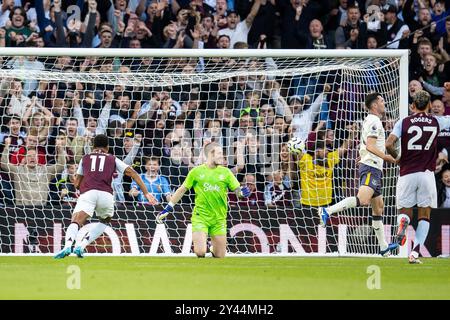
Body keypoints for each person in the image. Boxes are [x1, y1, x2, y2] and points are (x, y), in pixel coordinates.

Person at [318, 92, 399, 257]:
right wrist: (386, 157)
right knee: (363, 200)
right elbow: (370, 145)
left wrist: (363, 155)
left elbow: (365, 145)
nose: (384, 103)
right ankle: (327, 211)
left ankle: (383, 247)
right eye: (382, 101)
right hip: (372, 167)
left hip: (372, 165)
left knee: (379, 208)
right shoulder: (374, 121)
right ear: (375, 105)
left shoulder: (369, 120)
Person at [54, 134, 157, 259]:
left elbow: (76, 184)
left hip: (88, 193)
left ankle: (67, 246)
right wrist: (146, 193)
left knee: (76, 220)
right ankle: (81, 245)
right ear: (107, 147)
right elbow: (133, 173)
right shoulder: (112, 158)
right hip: (106, 195)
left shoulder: (85, 158)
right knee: (105, 220)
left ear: (93, 147)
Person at [386, 90, 450, 264]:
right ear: (429, 106)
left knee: (404, 211)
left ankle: (403, 223)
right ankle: (414, 253)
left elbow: (388, 144)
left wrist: (398, 158)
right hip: (427, 175)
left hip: (407, 173)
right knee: (424, 215)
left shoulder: (404, 122)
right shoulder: (437, 121)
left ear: (413, 106)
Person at [155, 142, 251, 258]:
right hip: (201, 217)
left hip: (219, 219)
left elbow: (237, 191)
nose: (223, 156)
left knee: (220, 256)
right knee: (200, 252)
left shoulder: (226, 172)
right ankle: (208, 247)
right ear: (211, 154)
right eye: (220, 153)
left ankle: (213, 248)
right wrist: (167, 208)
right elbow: (182, 190)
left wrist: (242, 193)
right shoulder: (196, 172)